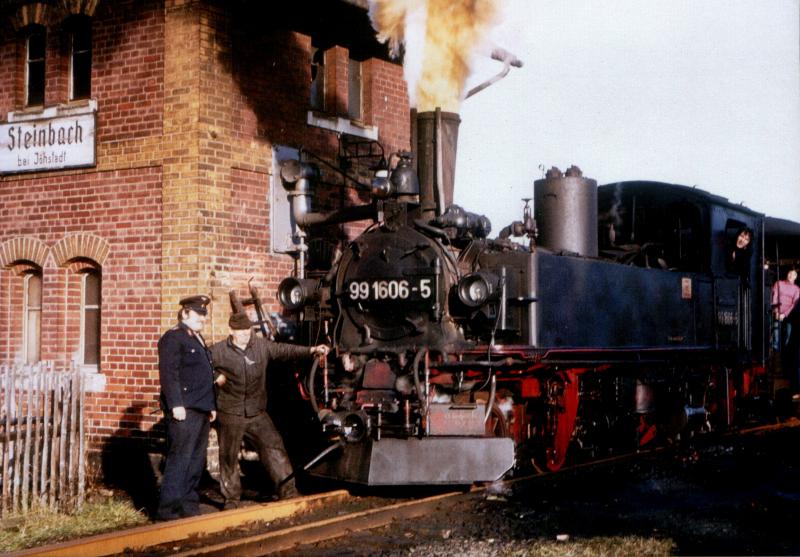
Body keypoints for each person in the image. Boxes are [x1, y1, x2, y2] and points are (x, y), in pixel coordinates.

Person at [210, 311, 329, 508]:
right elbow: (198, 365)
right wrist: (215, 375)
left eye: (247, 330)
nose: (244, 334)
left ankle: (288, 491)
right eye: (240, 331)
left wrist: (311, 350)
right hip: (231, 413)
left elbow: (284, 350)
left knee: (274, 446)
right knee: (228, 456)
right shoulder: (217, 351)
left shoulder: (261, 346)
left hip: (257, 412)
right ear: (231, 331)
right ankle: (231, 499)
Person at [156, 295, 217, 520]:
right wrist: (175, 404)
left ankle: (188, 505)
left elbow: (205, 374)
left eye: (204, 314)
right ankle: (168, 510)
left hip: (200, 408)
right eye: (198, 313)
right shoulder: (173, 338)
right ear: (184, 313)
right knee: (180, 458)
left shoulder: (196, 338)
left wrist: (210, 405)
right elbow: (169, 374)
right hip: (184, 409)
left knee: (195, 460)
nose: (203, 318)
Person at [771, 269, 800, 351]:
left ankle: (787, 353)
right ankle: (776, 353)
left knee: (788, 335)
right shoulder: (779, 283)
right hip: (778, 312)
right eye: (789, 273)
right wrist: (776, 311)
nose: (790, 275)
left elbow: (794, 304)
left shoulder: (797, 289)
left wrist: (784, 314)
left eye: (793, 274)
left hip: (789, 314)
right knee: (776, 336)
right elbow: (774, 298)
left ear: (795, 277)